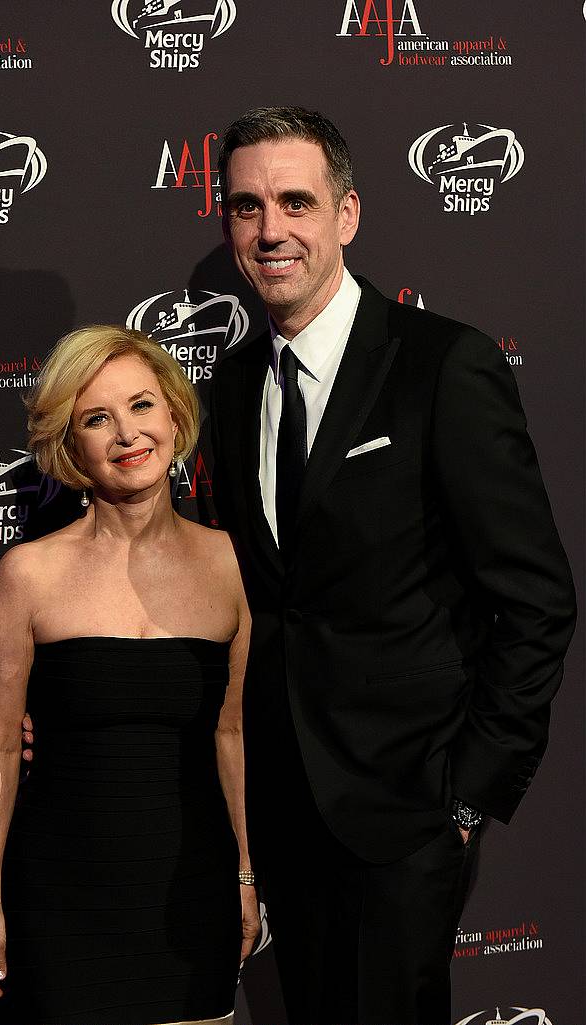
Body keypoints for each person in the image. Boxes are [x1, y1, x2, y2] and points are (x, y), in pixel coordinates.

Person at [207, 107, 577, 1025]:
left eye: (296, 201)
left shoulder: (444, 366)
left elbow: (535, 599)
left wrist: (466, 797)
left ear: (348, 214)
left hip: (406, 811)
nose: (271, 229)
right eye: (246, 206)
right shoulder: (233, 384)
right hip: (283, 810)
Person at [0, 326, 259, 1025]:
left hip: (192, 895)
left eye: (141, 406)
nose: (127, 433)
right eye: (98, 418)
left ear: (175, 416)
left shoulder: (230, 562)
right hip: (64, 897)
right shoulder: (28, 573)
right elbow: (1, 747)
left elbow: (231, 733)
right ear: (71, 445)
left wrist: (245, 875)